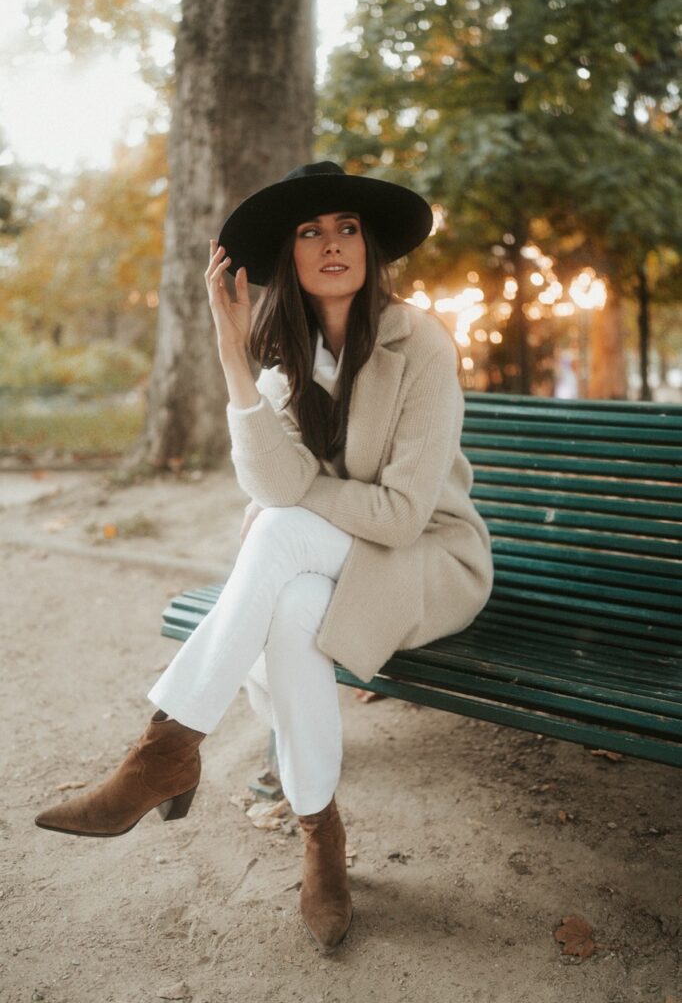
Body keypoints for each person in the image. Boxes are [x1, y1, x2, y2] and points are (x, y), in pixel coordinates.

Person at [34, 160, 494, 952]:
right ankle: (321, 835)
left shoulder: (419, 343)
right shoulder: (285, 355)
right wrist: (231, 351)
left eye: (347, 227)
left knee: (277, 535)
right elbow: (271, 480)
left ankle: (165, 751)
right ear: (290, 256)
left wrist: (298, 496)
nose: (333, 244)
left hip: (429, 563)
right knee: (291, 607)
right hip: (332, 567)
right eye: (310, 232)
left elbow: (397, 513)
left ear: (370, 244)